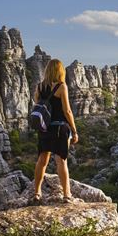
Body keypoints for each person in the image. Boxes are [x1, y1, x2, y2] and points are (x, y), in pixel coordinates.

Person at [32, 59, 78, 203]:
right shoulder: (61, 87)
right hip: (59, 128)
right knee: (61, 161)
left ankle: (37, 193)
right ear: (60, 71)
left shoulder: (39, 87)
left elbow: (38, 103)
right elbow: (68, 110)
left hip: (44, 129)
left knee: (42, 160)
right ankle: (66, 195)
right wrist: (75, 130)